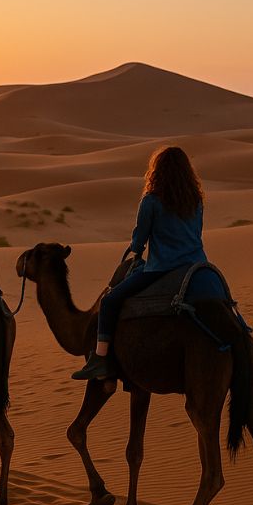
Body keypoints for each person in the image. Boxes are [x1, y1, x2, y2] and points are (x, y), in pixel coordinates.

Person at [72, 146, 208, 380]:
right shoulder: (196, 200)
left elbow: (140, 239)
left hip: (162, 267)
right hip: (197, 266)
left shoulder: (151, 201)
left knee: (109, 301)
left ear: (158, 171)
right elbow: (196, 233)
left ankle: (100, 359)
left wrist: (135, 248)